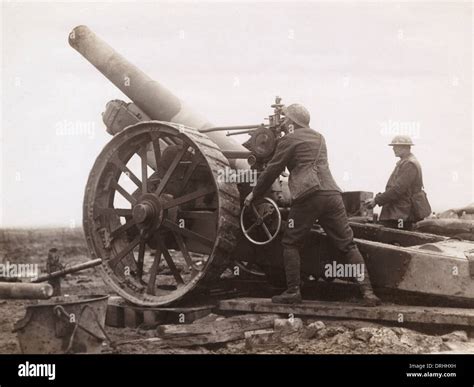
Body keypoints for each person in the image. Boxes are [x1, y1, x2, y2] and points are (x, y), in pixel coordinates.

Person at [244, 104, 381, 306]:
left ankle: (292, 292)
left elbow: (273, 169)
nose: (283, 125)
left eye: (285, 121)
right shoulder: (319, 137)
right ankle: (368, 293)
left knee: (290, 242)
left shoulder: (289, 139)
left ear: (291, 122)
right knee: (347, 244)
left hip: (308, 196)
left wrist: (253, 194)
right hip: (332, 195)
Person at [366, 135, 425, 230]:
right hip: (398, 213)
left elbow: (398, 189)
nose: (393, 148)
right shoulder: (405, 162)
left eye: (396, 146)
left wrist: (376, 200)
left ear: (406, 147)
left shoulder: (409, 164)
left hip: (401, 215)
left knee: (398, 238)